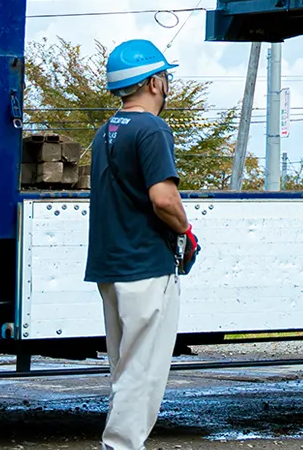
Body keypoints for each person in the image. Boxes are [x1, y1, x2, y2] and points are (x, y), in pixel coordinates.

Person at [86, 39, 200, 450]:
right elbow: (163, 198)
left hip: (110, 266)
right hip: (145, 266)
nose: (167, 85)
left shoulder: (106, 132)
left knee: (124, 368)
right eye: (165, 78)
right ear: (153, 82)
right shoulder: (152, 129)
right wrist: (186, 231)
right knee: (144, 371)